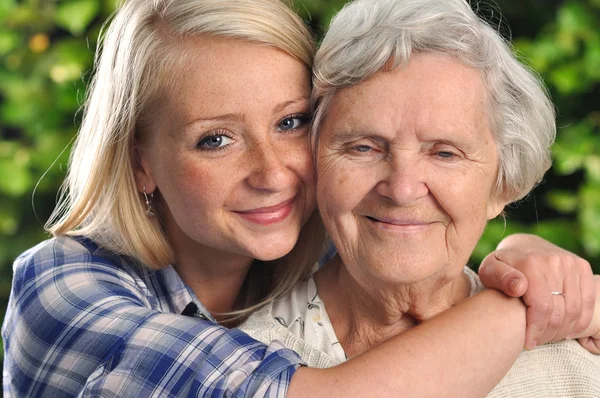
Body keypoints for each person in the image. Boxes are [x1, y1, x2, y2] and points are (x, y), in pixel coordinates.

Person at [1, 0, 597, 396]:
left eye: (289, 124)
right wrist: (524, 306)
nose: (273, 172)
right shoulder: (63, 285)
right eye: (215, 139)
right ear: (139, 164)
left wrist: (531, 260)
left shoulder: (306, 251)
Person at [240, 0, 600, 396]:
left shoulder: (578, 360)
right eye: (364, 147)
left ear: (503, 185)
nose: (402, 188)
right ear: (314, 163)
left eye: (445, 153)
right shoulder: (249, 367)